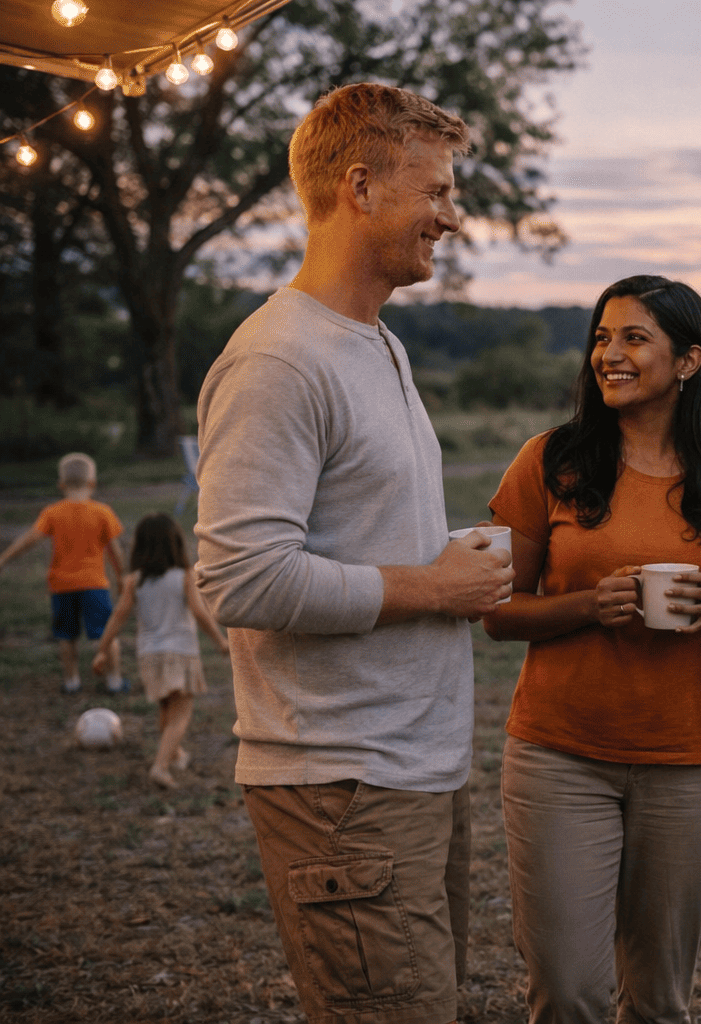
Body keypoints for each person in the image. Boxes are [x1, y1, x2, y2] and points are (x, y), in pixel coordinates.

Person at [194, 83, 515, 1024]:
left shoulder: (377, 343)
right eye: (438, 191)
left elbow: (346, 533)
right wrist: (431, 584)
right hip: (339, 781)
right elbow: (241, 576)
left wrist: (451, 558)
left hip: (408, 770)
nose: (452, 218)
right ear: (361, 185)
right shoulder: (278, 360)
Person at [483, 274, 701, 1023]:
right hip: (561, 756)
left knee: (658, 1000)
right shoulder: (548, 460)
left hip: (695, 762)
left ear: (688, 361)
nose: (609, 354)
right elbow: (498, 611)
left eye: (632, 338)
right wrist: (592, 605)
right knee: (567, 991)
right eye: (601, 337)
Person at [93, 512, 229, 789]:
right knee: (181, 715)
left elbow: (119, 616)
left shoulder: (134, 580)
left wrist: (102, 650)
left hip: (150, 656)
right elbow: (200, 613)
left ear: (139, 547)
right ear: (175, 544)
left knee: (166, 709)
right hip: (180, 653)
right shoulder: (183, 576)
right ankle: (160, 766)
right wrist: (220, 641)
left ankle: (176, 754)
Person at [0, 452, 126, 695]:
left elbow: (29, 540)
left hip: (62, 586)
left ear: (61, 485)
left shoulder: (52, 513)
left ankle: (71, 682)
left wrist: (4, 558)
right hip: (95, 586)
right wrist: (121, 578)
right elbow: (115, 551)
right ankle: (114, 681)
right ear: (92, 483)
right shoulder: (103, 512)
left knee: (66, 637)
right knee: (104, 636)